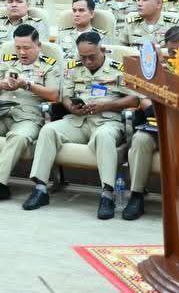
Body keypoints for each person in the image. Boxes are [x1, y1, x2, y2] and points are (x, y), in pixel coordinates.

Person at [22, 32, 138, 218]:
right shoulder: (73, 67)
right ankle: (40, 189)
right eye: (83, 57)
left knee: (104, 136)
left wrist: (106, 105)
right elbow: (65, 96)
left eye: (92, 56)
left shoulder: (119, 68)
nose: (87, 61)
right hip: (78, 120)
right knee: (48, 130)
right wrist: (71, 107)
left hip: (107, 121)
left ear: (102, 50)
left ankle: (107, 194)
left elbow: (134, 99)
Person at [0, 24, 62, 203]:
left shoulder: (50, 65)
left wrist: (27, 85)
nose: (22, 52)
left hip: (28, 117)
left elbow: (54, 95)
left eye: (27, 48)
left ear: (38, 46)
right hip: (0, 113)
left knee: (18, 137)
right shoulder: (8, 63)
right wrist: (1, 84)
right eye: (18, 48)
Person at [122, 26, 179, 221]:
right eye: (173, 51)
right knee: (140, 140)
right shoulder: (155, 68)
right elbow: (143, 99)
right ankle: (136, 195)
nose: (177, 55)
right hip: (157, 126)